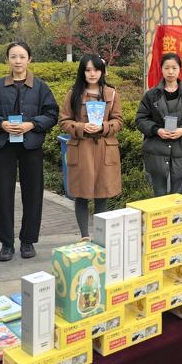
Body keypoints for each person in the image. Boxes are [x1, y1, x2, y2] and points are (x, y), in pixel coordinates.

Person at [0, 42, 58, 262]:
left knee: (33, 194)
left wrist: (32, 124)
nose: (17, 61)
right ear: (7, 59)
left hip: (30, 146)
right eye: (13, 56)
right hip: (3, 146)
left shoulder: (40, 87)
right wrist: (1, 124)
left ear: (29, 59)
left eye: (22, 56)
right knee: (2, 195)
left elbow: (52, 113)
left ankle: (27, 241)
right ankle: (6, 244)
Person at [58, 54, 123, 238]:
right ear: (82, 72)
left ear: (102, 72)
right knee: (81, 194)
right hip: (82, 149)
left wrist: (104, 126)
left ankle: (101, 237)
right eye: (88, 70)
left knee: (102, 195)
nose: (92, 74)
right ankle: (84, 237)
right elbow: (64, 121)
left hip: (104, 149)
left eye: (96, 70)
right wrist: (81, 127)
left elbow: (118, 121)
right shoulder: (73, 94)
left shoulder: (112, 94)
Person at [135, 52, 182, 196]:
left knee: (178, 196)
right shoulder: (151, 95)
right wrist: (157, 130)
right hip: (156, 149)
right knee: (159, 195)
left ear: (180, 69)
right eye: (167, 68)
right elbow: (141, 119)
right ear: (161, 69)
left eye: (174, 68)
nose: (170, 72)